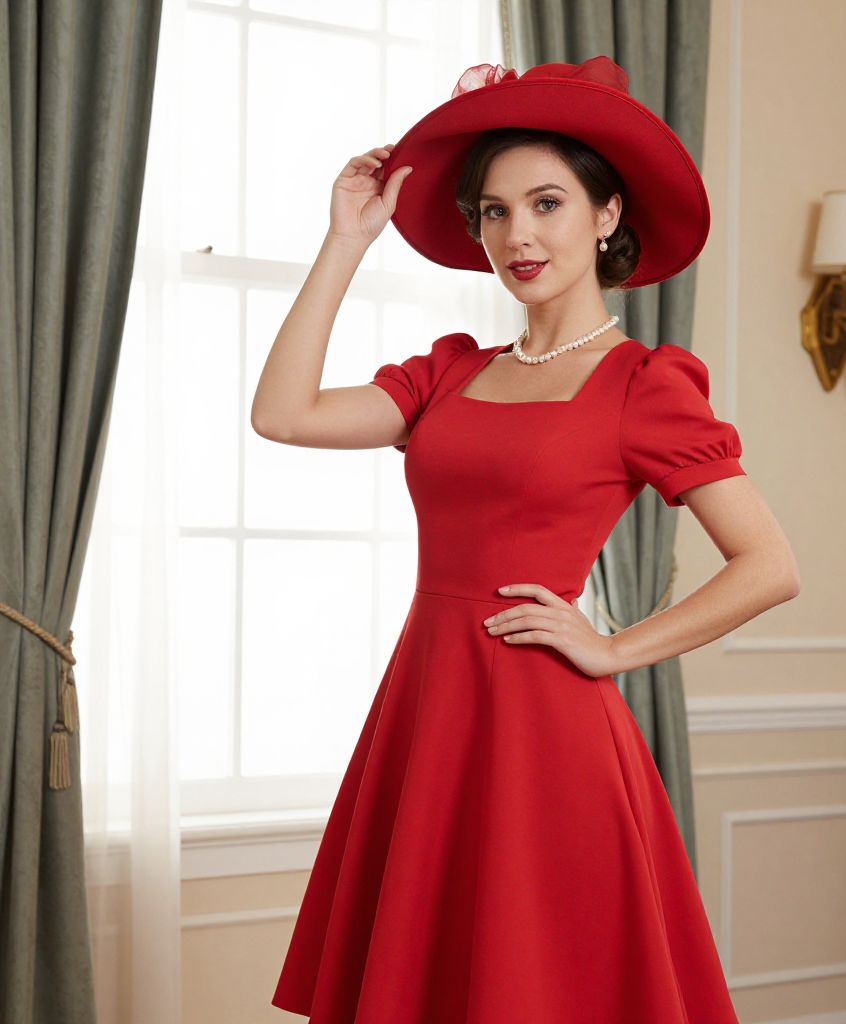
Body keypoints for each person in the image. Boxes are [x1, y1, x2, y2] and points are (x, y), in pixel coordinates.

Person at [252, 55, 800, 1024]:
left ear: (605, 215)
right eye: (493, 212)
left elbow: (769, 564)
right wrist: (345, 241)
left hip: (547, 724)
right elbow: (284, 414)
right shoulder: (448, 374)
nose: (517, 234)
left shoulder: (644, 384)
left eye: (546, 203)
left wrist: (615, 647)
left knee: (541, 980)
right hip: (430, 701)